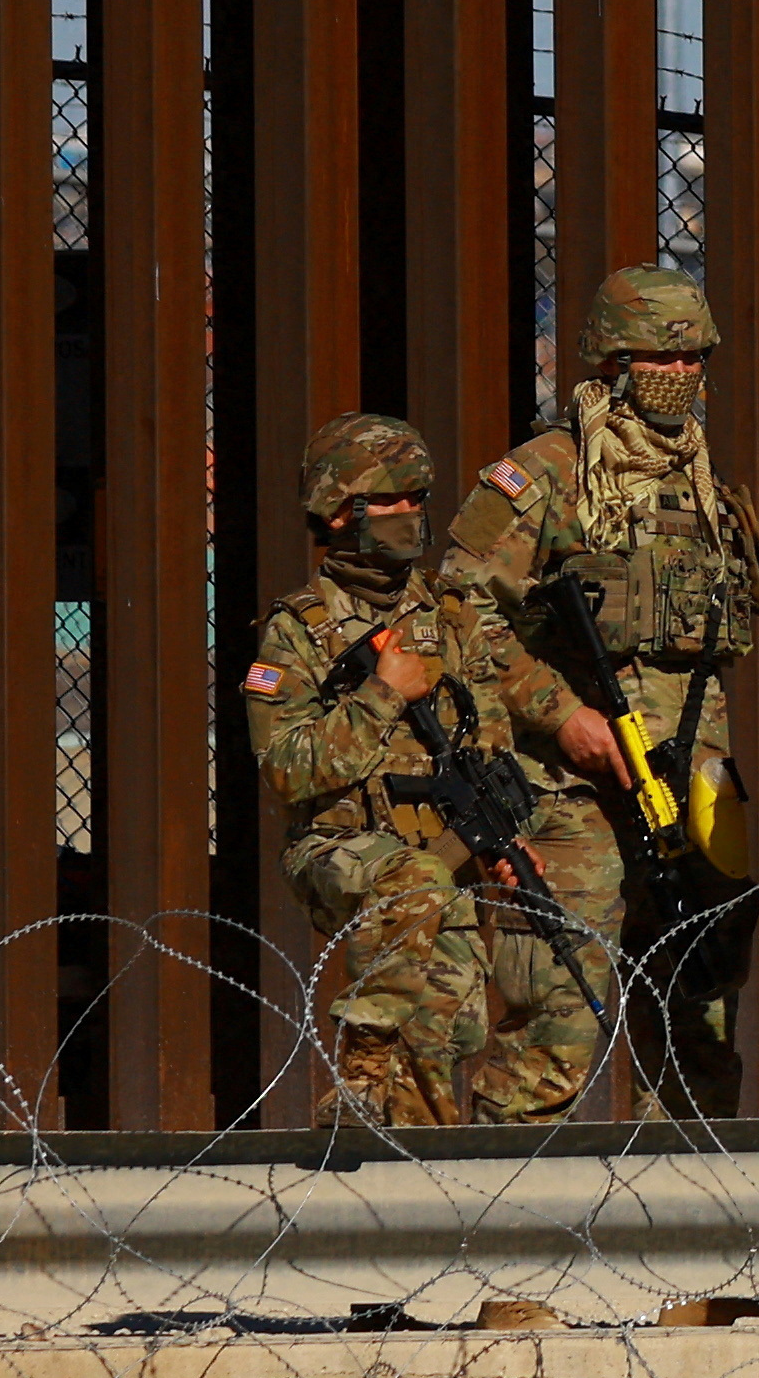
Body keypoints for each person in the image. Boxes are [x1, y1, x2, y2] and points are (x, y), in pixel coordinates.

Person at [443, 258, 759, 1108]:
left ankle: (694, 1222)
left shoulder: (701, 487)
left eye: (693, 359)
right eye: (661, 359)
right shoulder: (549, 475)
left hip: (690, 784)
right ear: (611, 363)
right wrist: (561, 717)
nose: (681, 376)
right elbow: (457, 609)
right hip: (577, 789)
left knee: (699, 1019)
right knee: (553, 1024)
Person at [241, 410, 610, 1128]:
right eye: (390, 500)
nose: (409, 515)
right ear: (340, 511)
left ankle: (426, 1162)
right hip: (341, 848)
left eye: (417, 500)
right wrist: (383, 695)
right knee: (415, 881)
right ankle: (361, 1068)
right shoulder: (300, 628)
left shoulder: (449, 613)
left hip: (442, 854)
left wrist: (501, 838)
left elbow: (488, 736)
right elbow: (288, 769)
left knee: (450, 1022)